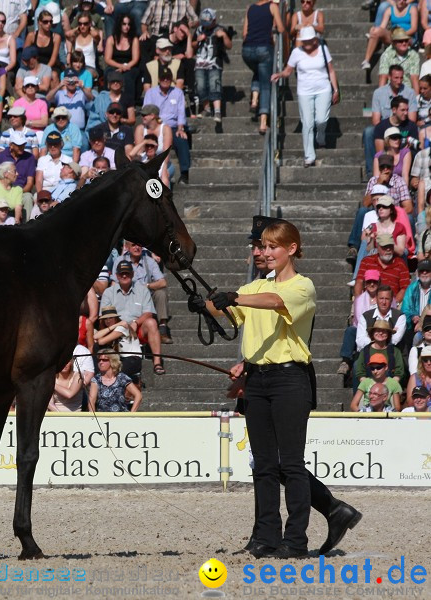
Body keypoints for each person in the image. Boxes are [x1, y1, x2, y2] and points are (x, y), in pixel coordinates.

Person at [208, 220, 315, 559]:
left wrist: (234, 296)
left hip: (289, 379)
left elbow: (272, 301)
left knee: (291, 464)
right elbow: (230, 311)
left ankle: (296, 540)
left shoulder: (302, 286)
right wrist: (206, 303)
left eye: (273, 247)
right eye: (264, 247)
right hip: (257, 380)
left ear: (291, 249)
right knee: (263, 464)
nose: (265, 253)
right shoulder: (253, 289)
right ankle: (266, 536)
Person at [271, 27, 337, 167]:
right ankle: (309, 155)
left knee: (321, 119)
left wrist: (335, 89)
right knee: (307, 123)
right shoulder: (296, 52)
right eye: (304, 41)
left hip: (323, 89)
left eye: (309, 40)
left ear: (315, 40)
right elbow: (288, 71)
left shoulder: (323, 49)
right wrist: (280, 74)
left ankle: (321, 136)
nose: (306, 43)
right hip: (304, 92)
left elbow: (331, 70)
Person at [100, 259, 165, 374]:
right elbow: (103, 316)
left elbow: (148, 312)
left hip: (136, 328)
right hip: (116, 327)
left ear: (133, 274)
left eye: (127, 273)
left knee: (152, 322)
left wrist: (135, 322)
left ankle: (157, 362)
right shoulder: (109, 292)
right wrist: (119, 326)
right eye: (121, 273)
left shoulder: (143, 290)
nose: (124, 275)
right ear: (117, 276)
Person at [241, 0, 284, 135]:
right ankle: (263, 121)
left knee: (258, 71)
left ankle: (254, 99)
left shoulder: (250, 8)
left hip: (247, 50)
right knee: (266, 84)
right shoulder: (272, 7)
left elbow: (244, 34)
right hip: (264, 48)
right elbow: (281, 29)